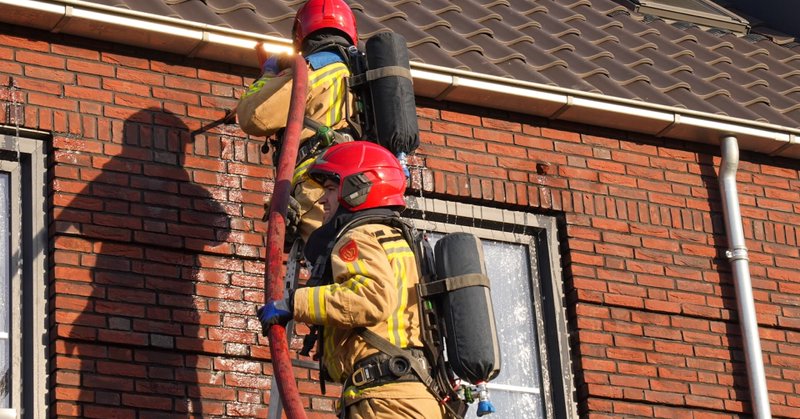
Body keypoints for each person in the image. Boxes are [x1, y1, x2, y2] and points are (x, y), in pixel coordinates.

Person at [258, 141, 446, 419]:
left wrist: (293, 303)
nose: (322, 200)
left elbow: (370, 298)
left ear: (358, 188)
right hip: (409, 396)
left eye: (331, 189)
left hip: (386, 400)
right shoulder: (396, 240)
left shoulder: (360, 236)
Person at [237, 0, 358, 243]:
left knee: (324, 264)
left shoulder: (312, 70)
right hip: (357, 190)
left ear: (300, 33)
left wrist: (269, 73)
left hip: (318, 189)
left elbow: (254, 118)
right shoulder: (357, 74)